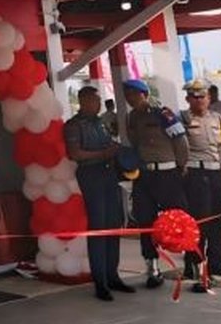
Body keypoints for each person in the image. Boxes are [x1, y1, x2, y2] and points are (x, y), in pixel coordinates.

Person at [63, 87, 133, 301]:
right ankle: (100, 281)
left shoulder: (100, 122)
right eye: (94, 100)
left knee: (114, 225)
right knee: (99, 227)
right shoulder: (74, 126)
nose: (98, 103)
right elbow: (75, 154)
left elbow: (109, 144)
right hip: (91, 175)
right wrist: (104, 153)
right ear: (83, 101)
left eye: (99, 100)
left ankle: (113, 276)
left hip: (108, 174)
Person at [123, 78, 188, 289]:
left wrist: (181, 166)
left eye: (133, 94)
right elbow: (134, 143)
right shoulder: (131, 117)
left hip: (167, 172)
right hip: (144, 175)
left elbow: (181, 141)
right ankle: (152, 267)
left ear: (144, 94)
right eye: (127, 94)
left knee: (178, 218)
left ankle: (191, 261)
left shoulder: (163, 114)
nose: (130, 98)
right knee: (145, 220)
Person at [180, 81, 221, 291]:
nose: (200, 100)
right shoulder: (183, 118)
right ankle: (196, 267)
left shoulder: (217, 119)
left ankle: (217, 265)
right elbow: (179, 147)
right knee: (200, 223)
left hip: (216, 171)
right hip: (195, 173)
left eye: (203, 96)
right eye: (195, 96)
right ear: (188, 99)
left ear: (209, 98)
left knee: (218, 221)